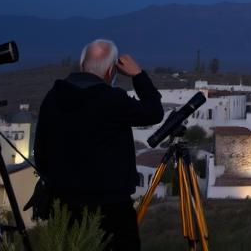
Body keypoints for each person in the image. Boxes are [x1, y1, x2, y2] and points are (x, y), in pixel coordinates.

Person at [34, 40, 163, 251]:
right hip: (111, 208)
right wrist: (138, 75)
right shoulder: (112, 100)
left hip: (64, 204)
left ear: (82, 63)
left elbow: (40, 151)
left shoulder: (53, 97)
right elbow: (154, 111)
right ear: (111, 71)